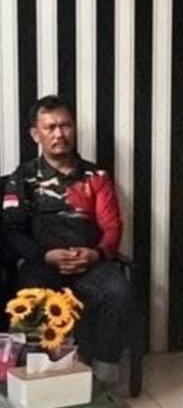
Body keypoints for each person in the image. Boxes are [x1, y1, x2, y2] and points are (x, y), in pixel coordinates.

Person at [3, 95, 131, 385]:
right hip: (42, 263)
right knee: (28, 296)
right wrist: (43, 255)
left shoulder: (96, 175)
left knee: (118, 292)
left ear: (74, 128)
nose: (59, 134)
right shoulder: (23, 176)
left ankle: (102, 379)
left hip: (92, 262)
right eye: (50, 127)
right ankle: (39, 377)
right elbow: (12, 230)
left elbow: (112, 226)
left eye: (65, 125)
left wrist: (96, 253)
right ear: (35, 134)